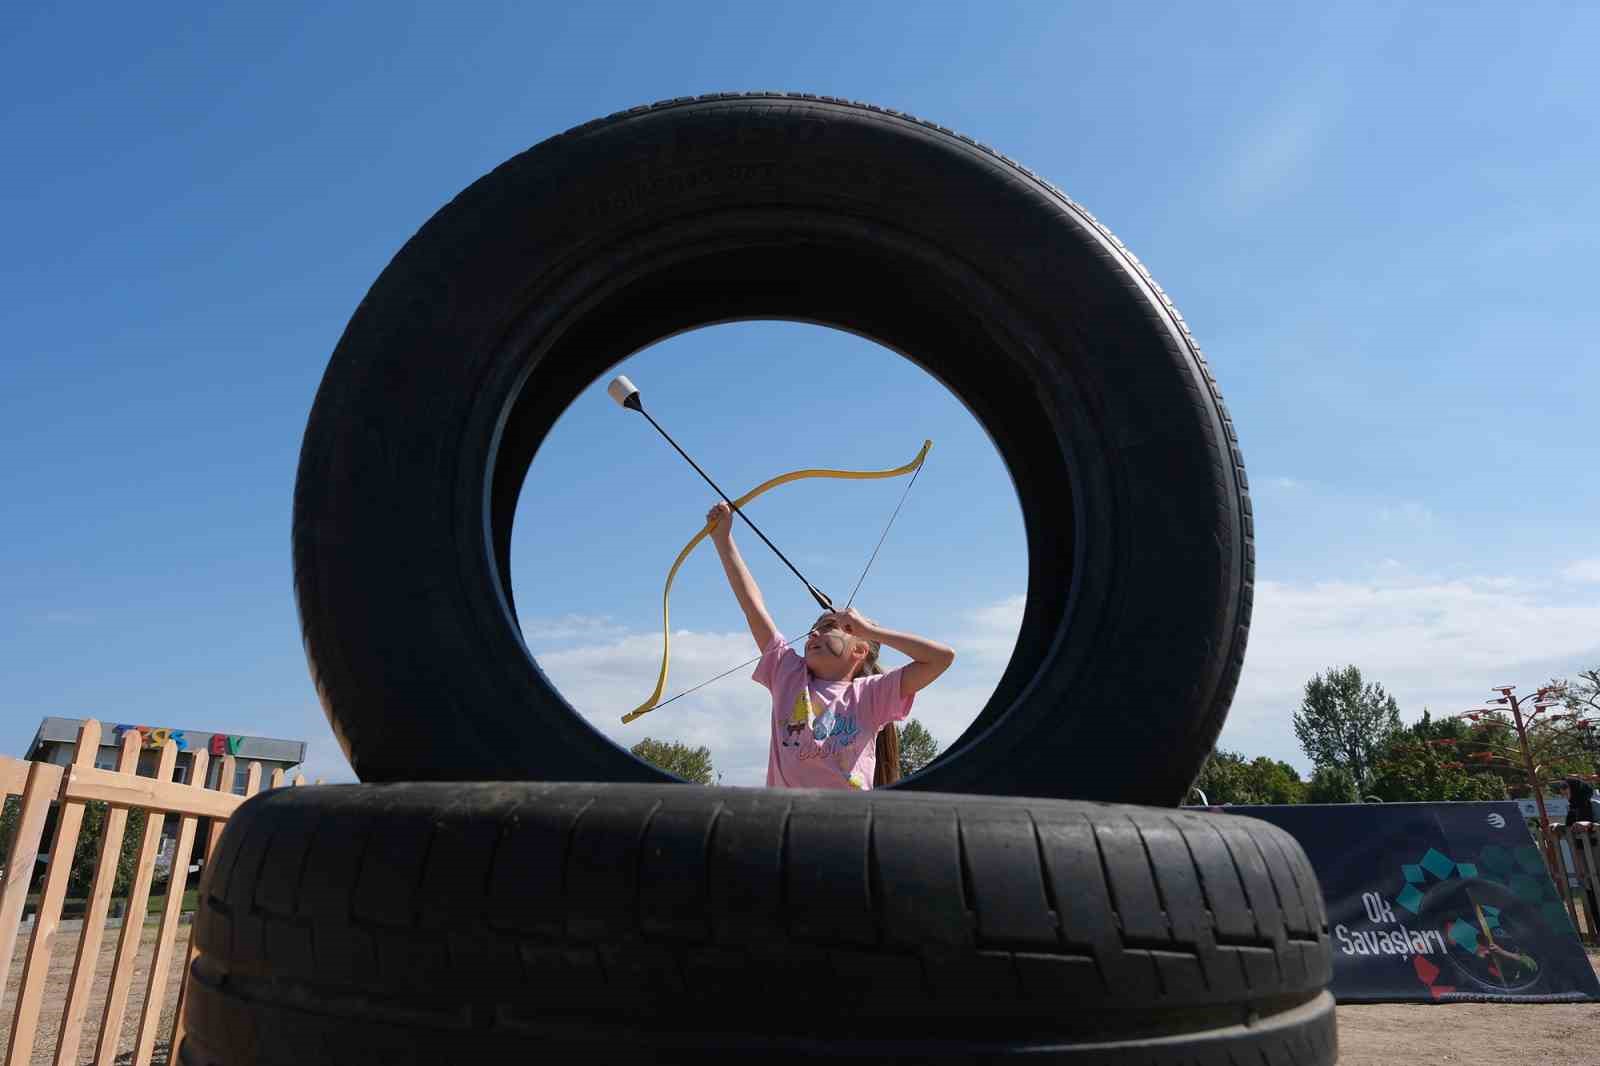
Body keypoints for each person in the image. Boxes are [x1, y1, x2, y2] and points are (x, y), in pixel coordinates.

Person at [706, 500, 954, 789]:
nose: (813, 635)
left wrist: (870, 630)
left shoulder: (871, 694)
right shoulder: (788, 673)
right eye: (813, 630)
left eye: (828, 628)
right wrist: (723, 540)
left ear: (860, 651)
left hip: (847, 823)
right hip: (785, 821)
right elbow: (753, 606)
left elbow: (941, 658)